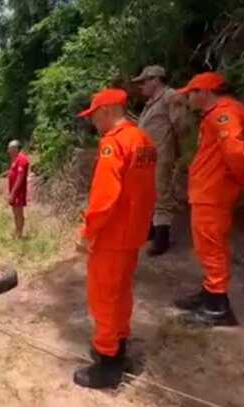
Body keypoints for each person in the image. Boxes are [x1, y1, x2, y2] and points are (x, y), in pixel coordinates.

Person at [75, 88, 157, 389]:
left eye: (94, 115)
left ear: (107, 111)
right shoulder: (144, 140)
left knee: (104, 298)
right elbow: (146, 190)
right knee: (121, 293)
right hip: (133, 232)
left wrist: (88, 233)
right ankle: (118, 349)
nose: (93, 122)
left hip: (112, 234)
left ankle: (107, 366)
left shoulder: (114, 143)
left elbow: (104, 198)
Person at [174, 72, 244, 327]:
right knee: (207, 246)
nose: (187, 98)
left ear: (205, 93)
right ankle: (210, 293)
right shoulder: (217, 114)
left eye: (191, 93)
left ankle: (217, 308)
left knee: (211, 247)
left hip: (213, 192)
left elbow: (235, 152)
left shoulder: (225, 114)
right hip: (208, 190)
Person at [132, 65, 189, 256]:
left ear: (155, 80)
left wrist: (178, 150)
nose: (142, 86)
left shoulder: (170, 96)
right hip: (147, 156)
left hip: (161, 154)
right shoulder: (152, 102)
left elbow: (181, 125)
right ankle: (151, 230)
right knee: (147, 193)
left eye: (144, 81)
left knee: (161, 193)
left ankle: (161, 238)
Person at [7, 140, 30, 239]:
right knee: (15, 213)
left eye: (10, 148)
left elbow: (20, 177)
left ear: (16, 148)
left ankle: (20, 234)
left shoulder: (22, 159)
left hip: (18, 192)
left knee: (19, 213)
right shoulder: (15, 159)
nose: (8, 151)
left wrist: (13, 193)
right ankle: (17, 231)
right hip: (14, 192)